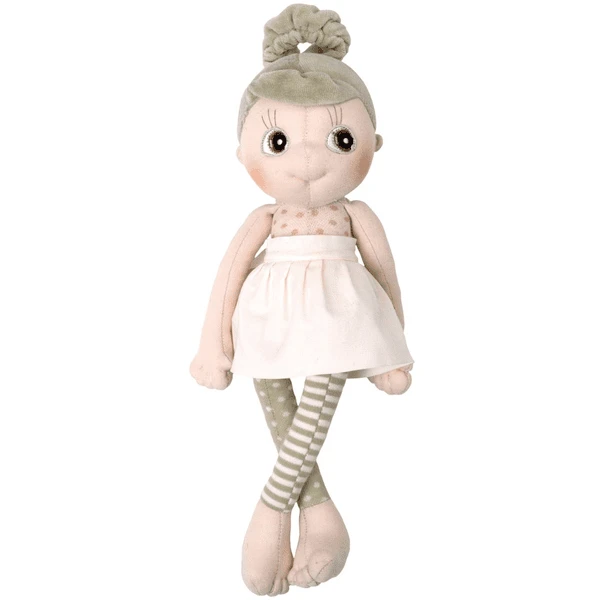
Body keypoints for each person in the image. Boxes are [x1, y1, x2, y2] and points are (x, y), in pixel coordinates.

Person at [190, 4, 414, 595]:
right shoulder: (262, 219)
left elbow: (383, 272)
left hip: (342, 319)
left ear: (372, 142)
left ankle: (273, 516)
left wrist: (393, 349)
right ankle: (321, 517)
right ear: (244, 151)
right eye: (279, 141)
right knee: (286, 414)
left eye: (341, 139)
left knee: (307, 416)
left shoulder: (357, 214)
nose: (309, 162)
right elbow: (228, 277)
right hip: (265, 318)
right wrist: (213, 348)